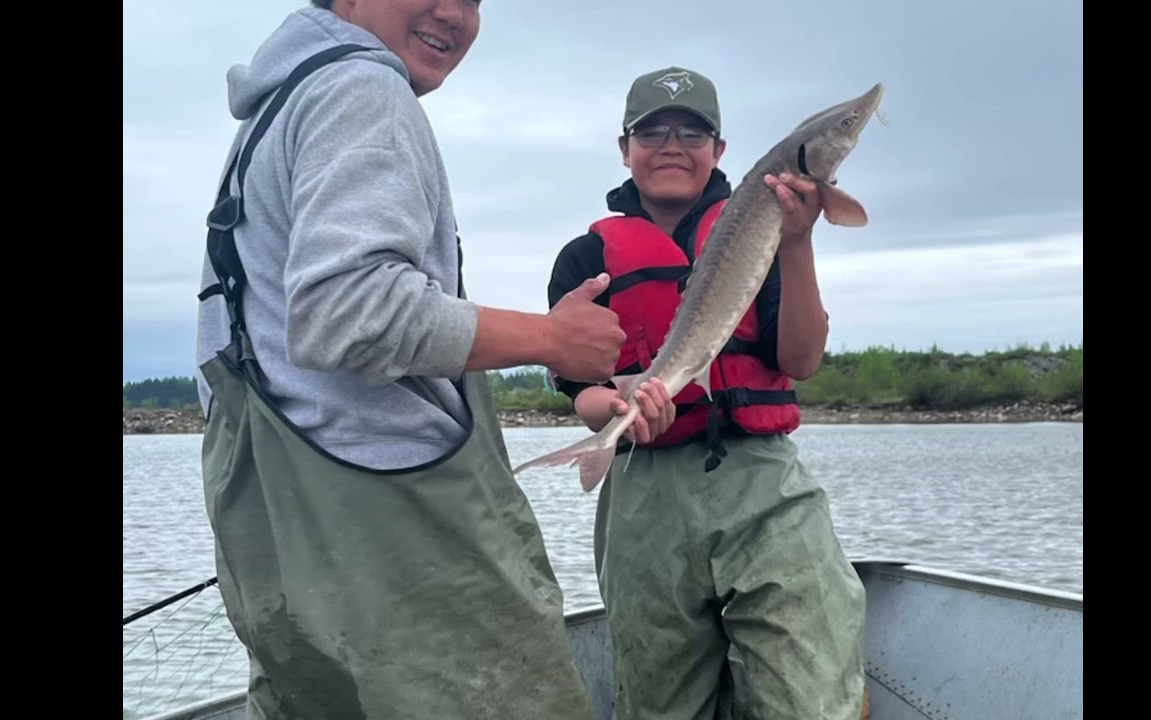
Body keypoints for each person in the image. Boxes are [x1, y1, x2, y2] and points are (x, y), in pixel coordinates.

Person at [194, 2, 624, 718]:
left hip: (274, 537)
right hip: (401, 540)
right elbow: (347, 312)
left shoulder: (279, 104)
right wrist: (552, 339)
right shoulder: (362, 88)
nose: (453, 14)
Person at [546, 66, 870, 720]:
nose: (672, 146)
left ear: (719, 149)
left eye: (692, 133)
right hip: (643, 494)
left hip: (762, 485)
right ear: (625, 149)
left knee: (809, 696)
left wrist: (798, 240)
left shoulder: (767, 221)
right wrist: (617, 409)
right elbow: (581, 391)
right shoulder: (585, 258)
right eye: (652, 133)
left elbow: (801, 360)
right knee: (661, 704)